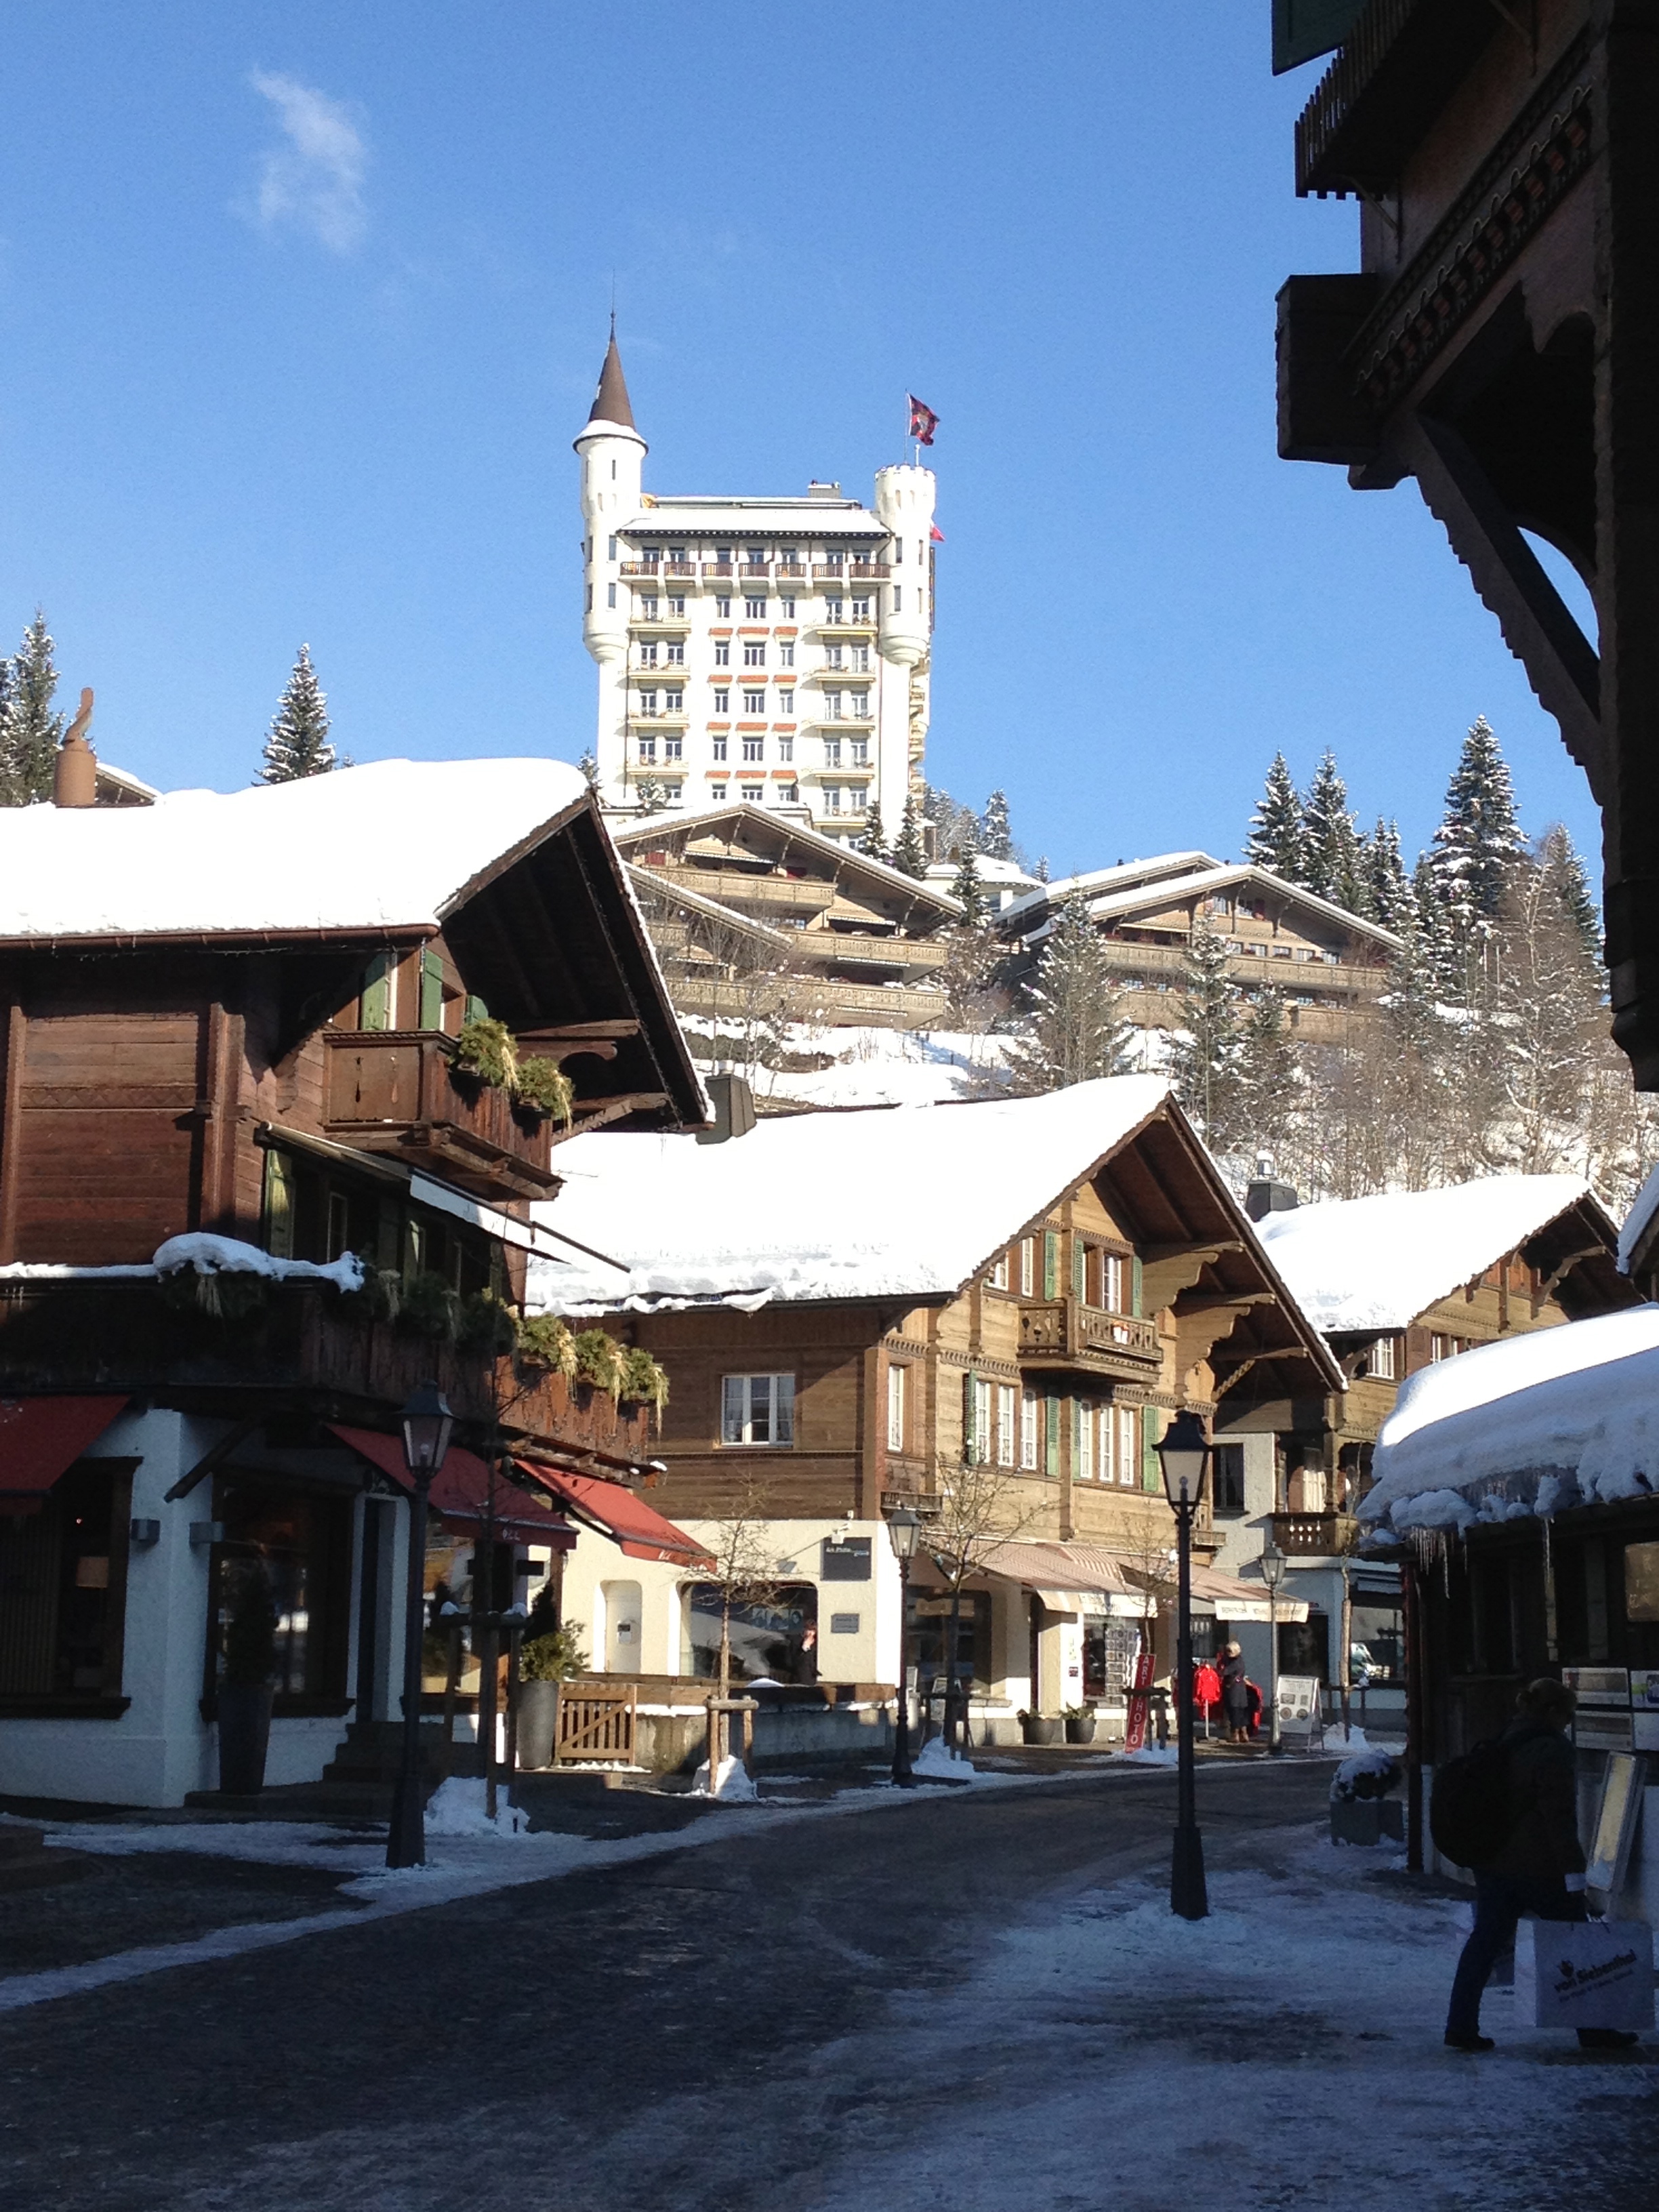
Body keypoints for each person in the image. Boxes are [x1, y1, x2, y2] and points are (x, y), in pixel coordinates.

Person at [1445, 1677, 1641, 2053]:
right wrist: (1574, 1873)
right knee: (1576, 1942)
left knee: (1484, 1943)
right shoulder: (1552, 1750)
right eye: (1568, 1714)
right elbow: (1559, 1817)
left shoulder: (1506, 1738)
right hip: (1539, 1867)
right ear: (1552, 1711)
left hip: (1493, 1861)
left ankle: (1460, 2025)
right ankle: (1593, 2030)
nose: (1569, 1721)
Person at [1221, 1642, 1251, 1744]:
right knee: (1241, 1713)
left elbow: (1224, 1672)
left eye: (1229, 1651)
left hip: (1234, 1690)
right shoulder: (1240, 1660)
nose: (1228, 1653)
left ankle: (1236, 1735)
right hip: (1240, 1689)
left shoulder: (1235, 1662)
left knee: (1234, 1712)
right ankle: (1244, 1734)